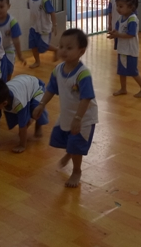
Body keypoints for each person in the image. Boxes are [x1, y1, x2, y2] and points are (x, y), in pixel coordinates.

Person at [32, 29, 98, 188]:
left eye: (69, 48)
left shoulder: (83, 74)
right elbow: (50, 89)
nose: (63, 51)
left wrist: (78, 118)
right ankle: (70, 152)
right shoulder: (58, 70)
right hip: (67, 114)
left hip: (84, 117)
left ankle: (76, 171)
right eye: (61, 46)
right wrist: (41, 104)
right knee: (62, 138)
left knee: (76, 143)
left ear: (81, 51)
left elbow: (86, 98)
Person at [0, 75, 49, 153]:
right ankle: (29, 119)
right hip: (23, 85)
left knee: (36, 110)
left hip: (36, 87)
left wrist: (22, 145)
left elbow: (22, 125)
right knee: (21, 117)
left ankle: (38, 125)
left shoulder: (18, 102)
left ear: (4, 103)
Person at [107, 0, 141, 98]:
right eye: (117, 6)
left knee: (133, 71)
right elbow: (117, 30)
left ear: (130, 7)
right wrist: (114, 34)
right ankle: (123, 89)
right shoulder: (120, 18)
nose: (118, 9)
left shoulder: (132, 19)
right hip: (122, 49)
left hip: (130, 50)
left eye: (121, 6)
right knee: (121, 71)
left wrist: (118, 35)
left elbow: (131, 34)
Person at [0, 0, 26, 79]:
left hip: (8, 48)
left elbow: (16, 40)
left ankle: (8, 83)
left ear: (8, 6)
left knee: (9, 68)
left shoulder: (12, 22)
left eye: (1, 6)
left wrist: (20, 55)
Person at [27, 0, 58, 68]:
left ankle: (56, 49)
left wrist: (54, 25)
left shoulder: (45, 0)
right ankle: (37, 61)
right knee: (33, 45)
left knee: (43, 46)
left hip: (44, 28)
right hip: (33, 27)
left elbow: (52, 13)